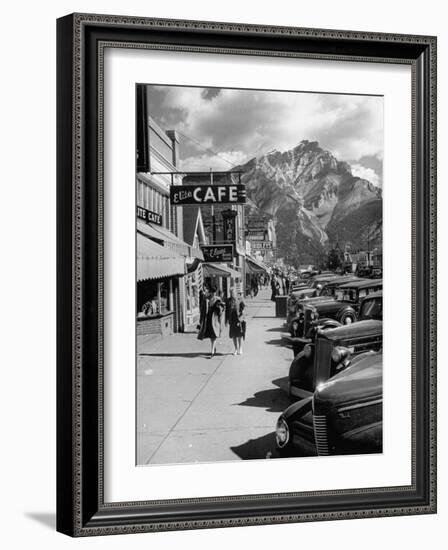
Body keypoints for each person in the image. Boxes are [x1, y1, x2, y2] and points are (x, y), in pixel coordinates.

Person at [197, 286, 225, 358]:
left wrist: (219, 308)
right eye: (212, 292)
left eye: (214, 292)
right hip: (208, 319)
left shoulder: (218, 300)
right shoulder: (207, 299)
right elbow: (203, 310)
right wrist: (201, 320)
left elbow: (221, 311)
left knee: (214, 335)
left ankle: (212, 351)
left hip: (215, 320)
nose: (213, 294)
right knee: (211, 335)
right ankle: (213, 347)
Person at [225, 288, 246, 355]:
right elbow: (226, 311)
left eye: (233, 292)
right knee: (233, 335)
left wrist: (242, 313)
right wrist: (226, 320)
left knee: (239, 334)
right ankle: (236, 349)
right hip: (232, 319)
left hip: (238, 319)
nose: (232, 294)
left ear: (235, 293)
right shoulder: (228, 301)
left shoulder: (239, 299)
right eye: (230, 292)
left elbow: (243, 307)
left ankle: (240, 348)